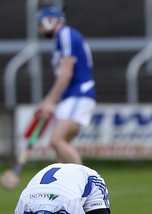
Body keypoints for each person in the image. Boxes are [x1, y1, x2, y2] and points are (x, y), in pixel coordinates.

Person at [34, 6, 96, 165]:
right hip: (71, 96)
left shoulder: (65, 34)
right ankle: (63, 189)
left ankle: (85, 186)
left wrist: (49, 101)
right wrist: (49, 101)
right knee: (61, 152)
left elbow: (66, 73)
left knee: (56, 140)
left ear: (50, 21)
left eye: (40, 24)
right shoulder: (61, 38)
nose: (40, 30)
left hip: (79, 94)